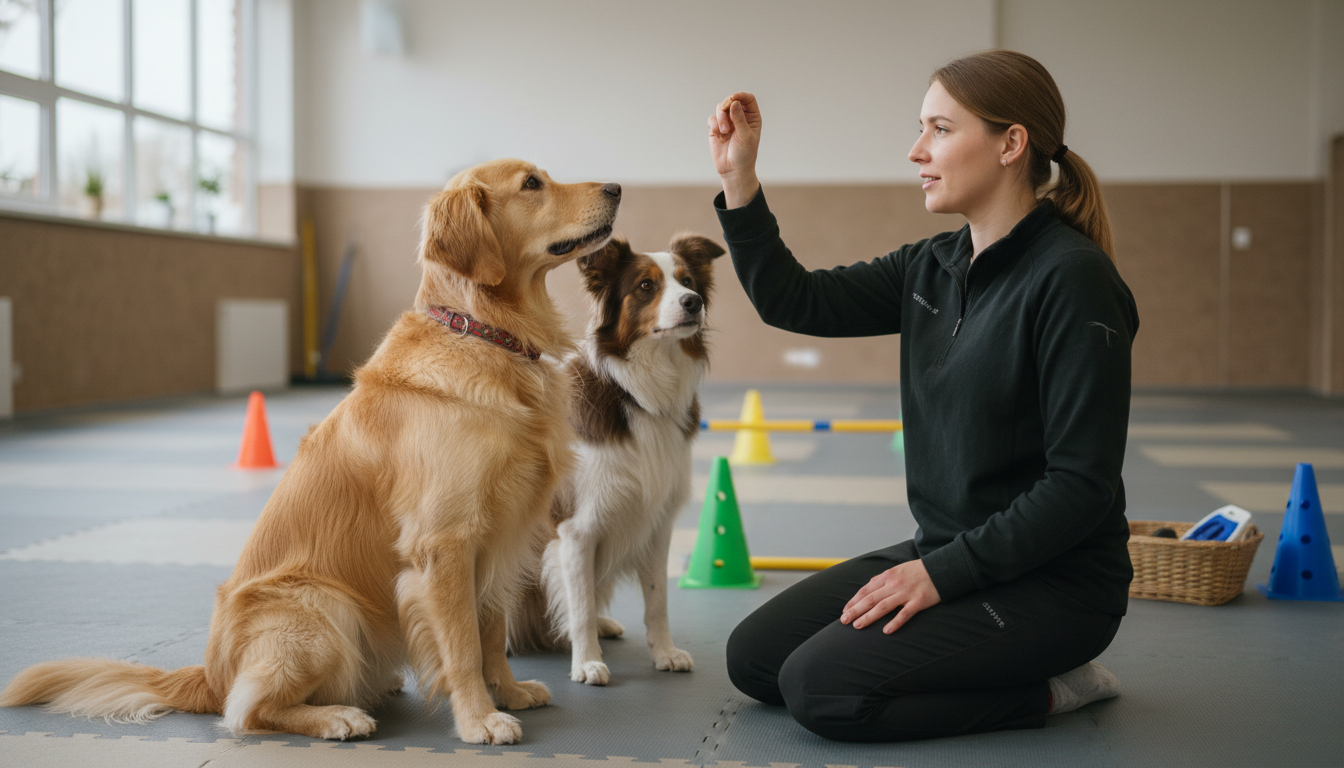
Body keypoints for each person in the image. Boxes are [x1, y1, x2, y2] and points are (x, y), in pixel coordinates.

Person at [706, 49, 1138, 742]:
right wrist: (740, 179)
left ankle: (1058, 691)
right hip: (946, 552)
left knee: (823, 690)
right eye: (921, 129)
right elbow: (798, 300)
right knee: (756, 659)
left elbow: (1080, 486)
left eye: (938, 129)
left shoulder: (1073, 281)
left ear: (1010, 144)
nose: (916, 151)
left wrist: (940, 576)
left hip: (1054, 587)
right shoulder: (931, 266)